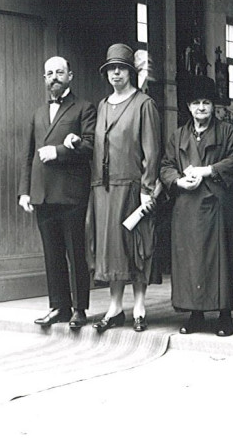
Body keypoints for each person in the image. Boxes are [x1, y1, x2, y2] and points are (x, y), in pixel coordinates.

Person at [160, 75, 233, 337]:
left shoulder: (227, 132)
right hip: (187, 209)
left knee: (221, 261)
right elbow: (165, 166)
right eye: (196, 103)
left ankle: (224, 315)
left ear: (213, 106)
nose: (201, 108)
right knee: (191, 262)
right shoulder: (178, 134)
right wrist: (179, 181)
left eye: (206, 103)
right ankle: (196, 314)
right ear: (189, 107)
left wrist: (207, 170)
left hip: (218, 208)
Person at [86, 43, 161, 333]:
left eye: (121, 68)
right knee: (111, 250)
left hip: (132, 187)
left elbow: (151, 151)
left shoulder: (144, 104)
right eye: (111, 69)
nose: (116, 73)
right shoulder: (103, 105)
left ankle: (139, 307)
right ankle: (115, 308)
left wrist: (147, 188)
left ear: (130, 72)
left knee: (136, 247)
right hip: (104, 189)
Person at [18, 56, 96, 329]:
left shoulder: (84, 108)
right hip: (42, 194)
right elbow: (28, 155)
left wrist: (60, 151)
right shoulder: (38, 113)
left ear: (70, 76)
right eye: (49, 73)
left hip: (71, 194)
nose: (54, 77)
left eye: (59, 72)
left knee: (76, 253)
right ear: (44, 78)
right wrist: (24, 192)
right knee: (52, 254)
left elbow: (90, 147)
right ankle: (58, 307)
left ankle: (79, 309)